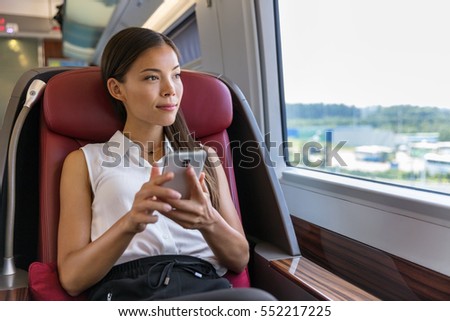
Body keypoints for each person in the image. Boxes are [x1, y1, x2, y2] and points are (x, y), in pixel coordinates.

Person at [57, 27, 255, 300]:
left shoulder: (205, 158)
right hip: (129, 293)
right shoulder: (84, 161)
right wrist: (130, 222)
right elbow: (72, 279)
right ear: (117, 89)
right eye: (152, 77)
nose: (170, 90)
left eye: (176, 75)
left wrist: (207, 220)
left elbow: (239, 258)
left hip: (204, 289)